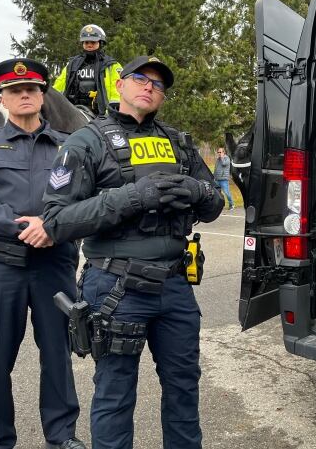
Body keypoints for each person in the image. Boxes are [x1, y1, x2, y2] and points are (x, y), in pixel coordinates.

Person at [42, 56, 224, 449]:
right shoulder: (86, 141)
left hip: (175, 286)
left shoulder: (179, 143)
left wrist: (199, 191)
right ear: (120, 84)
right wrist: (129, 198)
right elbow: (57, 221)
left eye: (158, 85)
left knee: (183, 390)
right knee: (114, 395)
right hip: (116, 288)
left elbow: (214, 205)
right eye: (140, 78)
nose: (149, 87)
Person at [0, 59, 84, 449]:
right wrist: (25, 228)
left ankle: (61, 436)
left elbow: (85, 197)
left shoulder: (70, 146)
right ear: (3, 99)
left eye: (31, 89)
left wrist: (54, 228)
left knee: (58, 354)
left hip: (54, 264)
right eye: (15, 90)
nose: (24, 95)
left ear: (43, 95)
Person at [53, 24, 122, 115]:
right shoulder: (72, 64)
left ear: (100, 43)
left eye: (93, 42)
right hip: (73, 112)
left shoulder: (111, 65)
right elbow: (58, 88)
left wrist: (112, 112)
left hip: (103, 115)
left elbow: (119, 91)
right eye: (86, 42)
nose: (89, 45)